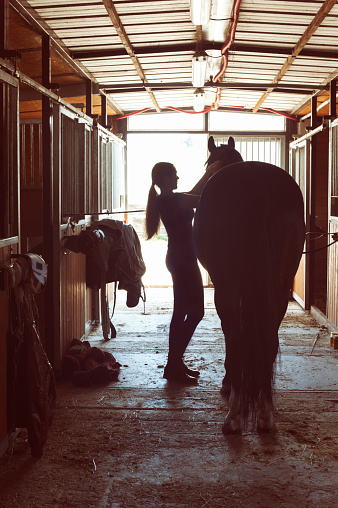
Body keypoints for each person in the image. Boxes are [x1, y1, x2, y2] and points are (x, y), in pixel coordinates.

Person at [145, 160, 222, 383]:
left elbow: (194, 193)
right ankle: (174, 363)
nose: (178, 178)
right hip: (184, 262)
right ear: (166, 178)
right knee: (195, 313)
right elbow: (202, 198)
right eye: (175, 174)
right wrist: (213, 175)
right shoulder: (171, 199)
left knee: (181, 313)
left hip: (180, 259)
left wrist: (209, 172)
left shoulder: (168, 199)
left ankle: (175, 364)